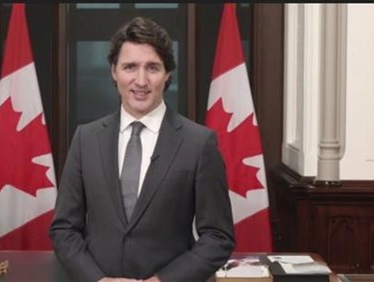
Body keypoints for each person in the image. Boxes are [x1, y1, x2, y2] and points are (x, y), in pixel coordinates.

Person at [49, 17, 235, 282]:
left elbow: (218, 237)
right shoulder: (85, 138)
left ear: (167, 73)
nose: (141, 80)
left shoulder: (199, 143)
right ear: (114, 71)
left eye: (153, 68)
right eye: (130, 67)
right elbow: (64, 229)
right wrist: (98, 280)